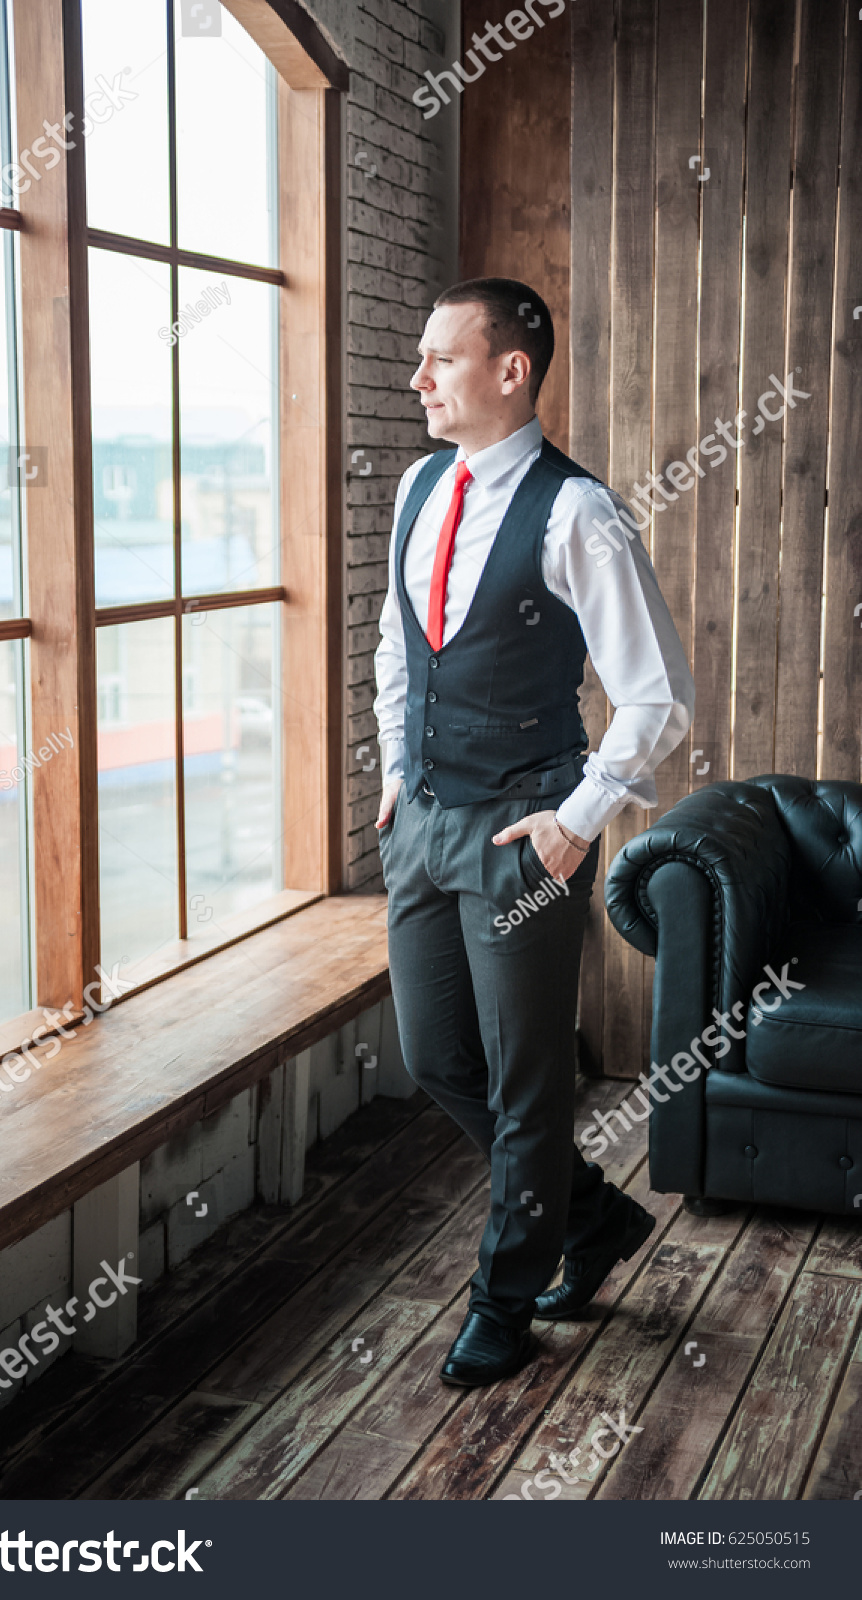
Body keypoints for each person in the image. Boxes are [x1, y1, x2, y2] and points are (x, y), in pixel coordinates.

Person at [373, 277, 694, 1386]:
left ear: (509, 371)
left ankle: (503, 1300)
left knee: (524, 1081)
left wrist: (575, 821)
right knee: (433, 1055)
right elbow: (394, 646)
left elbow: (655, 696)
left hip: (524, 833)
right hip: (419, 826)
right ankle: (593, 1214)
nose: (416, 378)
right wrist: (392, 767)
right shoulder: (421, 483)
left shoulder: (577, 513)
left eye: (438, 360)